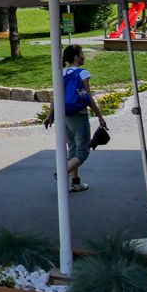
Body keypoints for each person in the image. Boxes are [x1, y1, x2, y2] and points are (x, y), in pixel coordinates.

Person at [44, 44, 107, 192]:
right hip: (78, 114)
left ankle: (76, 182)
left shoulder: (61, 73)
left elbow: (56, 96)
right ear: (76, 57)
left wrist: (50, 115)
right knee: (83, 151)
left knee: (72, 148)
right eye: (82, 54)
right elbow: (88, 97)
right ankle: (62, 173)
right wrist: (100, 116)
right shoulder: (82, 73)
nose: (84, 56)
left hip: (63, 115)